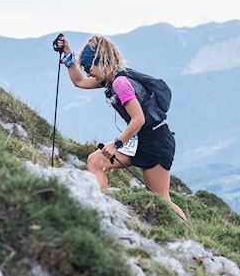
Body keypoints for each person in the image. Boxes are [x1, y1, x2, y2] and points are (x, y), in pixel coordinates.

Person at [55, 34, 187, 221]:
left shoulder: (120, 83)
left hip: (156, 142)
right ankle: (102, 210)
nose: (88, 73)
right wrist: (69, 56)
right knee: (95, 162)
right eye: (84, 68)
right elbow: (80, 82)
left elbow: (138, 119)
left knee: (162, 200)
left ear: (101, 61)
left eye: (88, 67)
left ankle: (188, 233)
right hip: (139, 140)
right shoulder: (110, 79)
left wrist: (116, 144)